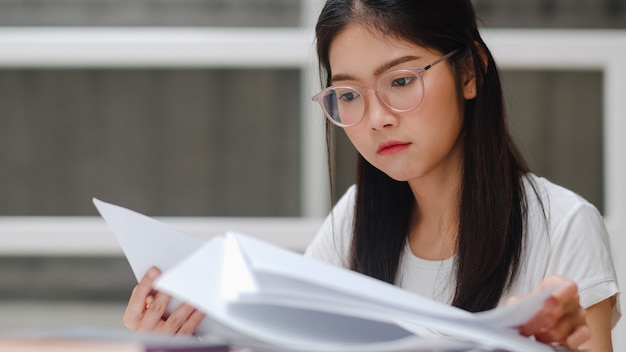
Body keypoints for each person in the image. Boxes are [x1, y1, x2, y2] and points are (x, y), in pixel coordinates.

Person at [123, 0, 620, 350]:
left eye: (401, 81)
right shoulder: (352, 222)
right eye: (350, 94)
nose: (377, 116)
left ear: (470, 72)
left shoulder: (563, 225)